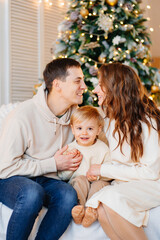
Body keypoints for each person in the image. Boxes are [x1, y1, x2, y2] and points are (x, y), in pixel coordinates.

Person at [0, 58, 87, 240]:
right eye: (78, 81)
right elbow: (5, 167)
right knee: (32, 193)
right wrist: (53, 164)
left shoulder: (76, 116)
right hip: (11, 178)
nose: (84, 86)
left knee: (67, 195)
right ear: (57, 85)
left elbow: (100, 124)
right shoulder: (22, 116)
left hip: (47, 179)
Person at [85, 62, 160, 240]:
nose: (95, 90)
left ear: (115, 88)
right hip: (126, 183)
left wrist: (102, 169)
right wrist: (98, 171)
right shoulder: (112, 121)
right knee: (101, 208)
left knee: (110, 199)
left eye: (100, 85)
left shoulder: (148, 122)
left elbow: (149, 172)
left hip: (153, 183)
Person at [58, 105, 111, 228]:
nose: (84, 133)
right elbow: (62, 176)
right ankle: (79, 209)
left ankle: (91, 211)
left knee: (100, 185)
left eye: (90, 129)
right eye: (79, 128)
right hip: (79, 182)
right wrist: (70, 165)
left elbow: (109, 172)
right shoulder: (71, 149)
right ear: (73, 129)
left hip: (98, 181)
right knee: (80, 180)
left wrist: (98, 177)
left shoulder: (103, 148)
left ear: (98, 130)